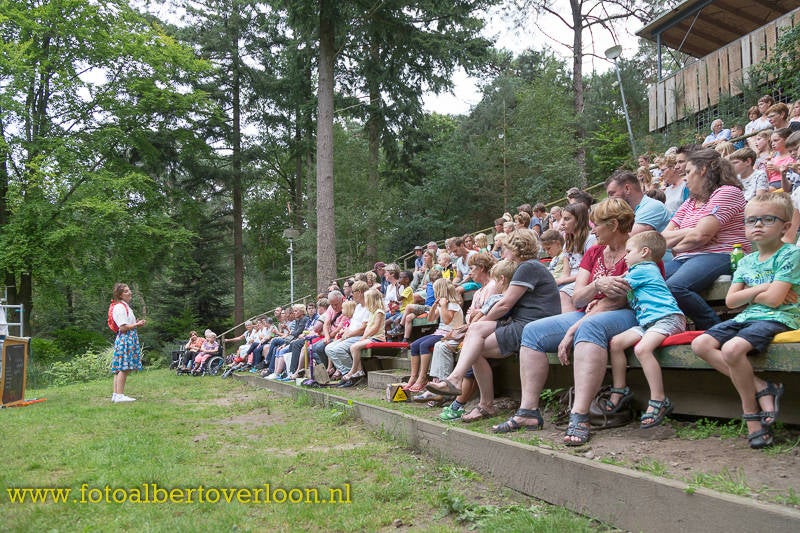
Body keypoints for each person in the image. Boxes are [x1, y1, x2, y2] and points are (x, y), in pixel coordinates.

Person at [505, 198, 636, 443]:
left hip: (628, 314)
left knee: (591, 326)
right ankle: (528, 412)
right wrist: (597, 285)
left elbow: (622, 299)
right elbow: (577, 297)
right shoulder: (595, 251)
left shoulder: (637, 250)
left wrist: (573, 328)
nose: (593, 229)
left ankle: (580, 415)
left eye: (597, 224)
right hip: (586, 312)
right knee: (532, 332)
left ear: (615, 224)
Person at [692, 192, 800, 449]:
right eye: (751, 220)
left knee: (731, 349)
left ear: (785, 226)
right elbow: (731, 301)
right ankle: (762, 387)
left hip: (780, 317)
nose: (758, 225)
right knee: (700, 344)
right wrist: (762, 289)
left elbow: (775, 301)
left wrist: (754, 293)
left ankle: (750, 415)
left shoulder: (790, 254)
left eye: (767, 219)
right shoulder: (746, 260)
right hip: (748, 317)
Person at [426, 229, 561, 423]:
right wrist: (474, 325)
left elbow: (505, 304)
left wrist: (476, 322)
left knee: (475, 343)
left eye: (505, 247)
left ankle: (473, 394)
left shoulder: (527, 267)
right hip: (522, 321)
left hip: (534, 326)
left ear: (515, 248)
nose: (503, 252)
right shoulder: (527, 267)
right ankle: (462, 386)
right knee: (475, 336)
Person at [662, 149, 749, 330]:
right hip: (686, 257)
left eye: (687, 172)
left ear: (702, 170)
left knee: (675, 287)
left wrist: (686, 239)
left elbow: (701, 236)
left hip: (722, 254)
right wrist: (693, 232)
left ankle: (714, 331)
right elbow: (662, 239)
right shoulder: (690, 202)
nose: (685, 178)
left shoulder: (726, 192)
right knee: (649, 282)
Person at [607, 231, 685, 428]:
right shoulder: (637, 270)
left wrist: (597, 290)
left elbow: (617, 285)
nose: (625, 256)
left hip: (667, 319)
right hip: (649, 323)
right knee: (616, 343)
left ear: (644, 252)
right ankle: (620, 389)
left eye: (629, 251)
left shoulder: (644, 269)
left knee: (642, 349)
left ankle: (659, 399)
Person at [404, 278, 464, 392]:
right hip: (440, 332)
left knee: (424, 345)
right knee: (415, 345)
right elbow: (431, 319)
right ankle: (413, 377)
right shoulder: (442, 304)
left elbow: (446, 321)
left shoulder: (453, 305)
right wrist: (434, 306)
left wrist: (444, 306)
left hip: (451, 333)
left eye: (435, 289)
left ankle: (422, 378)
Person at [556, 202, 596, 312]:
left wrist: (562, 281)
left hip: (584, 279)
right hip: (570, 279)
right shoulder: (567, 243)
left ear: (578, 220)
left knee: (564, 293)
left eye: (567, 219)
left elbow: (591, 270)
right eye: (562, 219)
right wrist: (560, 280)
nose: (562, 223)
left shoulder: (590, 240)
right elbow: (566, 270)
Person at [110, 283, 145, 403]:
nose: (129, 292)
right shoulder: (120, 307)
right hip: (126, 339)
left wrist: (135, 323)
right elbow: (123, 327)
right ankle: (119, 395)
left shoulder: (124, 306)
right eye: (126, 291)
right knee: (124, 368)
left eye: (129, 290)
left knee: (120, 368)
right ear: (120, 295)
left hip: (127, 338)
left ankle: (116, 394)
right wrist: (137, 324)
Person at [605, 171, 671, 234]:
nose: (610, 199)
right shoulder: (631, 212)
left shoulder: (652, 206)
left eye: (612, 194)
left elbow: (624, 240)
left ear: (627, 189)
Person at [344, 288, 387, 386]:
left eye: (367, 299)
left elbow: (375, 328)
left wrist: (364, 337)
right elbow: (368, 327)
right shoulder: (372, 312)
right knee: (353, 346)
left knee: (354, 347)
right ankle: (359, 370)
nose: (366, 301)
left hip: (378, 338)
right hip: (371, 338)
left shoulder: (379, 312)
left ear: (372, 299)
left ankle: (354, 370)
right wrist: (364, 337)